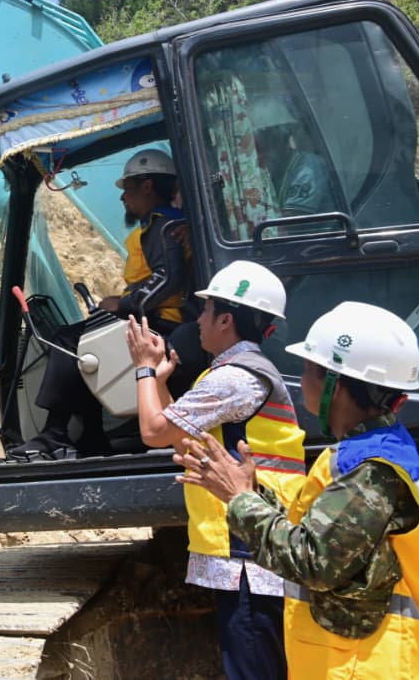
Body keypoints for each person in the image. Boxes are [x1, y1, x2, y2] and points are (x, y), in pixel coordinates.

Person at [176, 302, 419, 679]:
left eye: (308, 370)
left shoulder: (372, 472)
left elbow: (313, 560)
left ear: (334, 386)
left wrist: (240, 501)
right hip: (360, 659)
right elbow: (320, 531)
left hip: (375, 665)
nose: (302, 381)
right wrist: (253, 492)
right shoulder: (369, 454)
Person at [126, 260, 306, 680]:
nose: (198, 321)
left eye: (204, 312)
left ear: (226, 319)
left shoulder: (234, 379)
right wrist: (159, 383)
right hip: (253, 548)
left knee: (254, 669)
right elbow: (179, 435)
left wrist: (142, 369)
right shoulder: (232, 374)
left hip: (251, 555)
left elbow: (153, 431)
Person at [9, 147, 201, 460]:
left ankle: (55, 433)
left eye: (127, 189)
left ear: (148, 186)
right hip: (156, 320)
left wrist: (124, 304)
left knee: (69, 342)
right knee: (87, 345)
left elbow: (169, 280)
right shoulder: (165, 224)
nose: (123, 198)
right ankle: (92, 436)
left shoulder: (162, 224)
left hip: (164, 325)